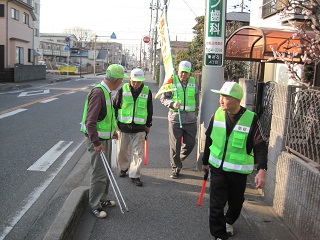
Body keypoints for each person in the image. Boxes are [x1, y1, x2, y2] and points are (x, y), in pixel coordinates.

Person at [202, 81, 268, 240]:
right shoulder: (216, 114)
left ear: (238, 100)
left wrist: (262, 170)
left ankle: (229, 220)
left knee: (236, 203)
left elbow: (260, 144)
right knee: (216, 205)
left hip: (238, 172)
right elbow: (209, 139)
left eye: (226, 97)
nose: (221, 100)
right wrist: (205, 162)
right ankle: (219, 235)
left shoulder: (251, 119)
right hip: (217, 168)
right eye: (221, 96)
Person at [80, 64, 128, 218]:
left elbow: (104, 118)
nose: (121, 84)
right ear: (118, 80)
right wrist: (96, 143)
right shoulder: (99, 93)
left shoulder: (106, 92)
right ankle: (95, 205)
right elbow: (90, 122)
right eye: (121, 81)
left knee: (105, 171)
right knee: (99, 173)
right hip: (97, 140)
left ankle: (103, 199)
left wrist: (112, 132)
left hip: (104, 138)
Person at [113, 68, 153, 186]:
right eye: (134, 81)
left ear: (142, 81)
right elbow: (115, 107)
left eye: (138, 81)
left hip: (140, 128)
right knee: (122, 151)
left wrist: (148, 125)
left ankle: (134, 174)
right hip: (123, 127)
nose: (136, 84)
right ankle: (124, 168)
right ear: (130, 79)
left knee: (138, 152)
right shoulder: (122, 90)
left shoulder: (147, 91)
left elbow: (149, 109)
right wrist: (115, 124)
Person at [160, 61, 199, 179]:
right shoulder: (171, 81)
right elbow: (163, 98)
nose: (184, 74)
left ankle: (178, 159)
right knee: (175, 145)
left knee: (190, 144)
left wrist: (196, 113)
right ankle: (175, 168)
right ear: (178, 71)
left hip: (191, 120)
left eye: (186, 72)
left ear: (189, 73)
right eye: (182, 72)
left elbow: (197, 99)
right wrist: (172, 103)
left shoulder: (194, 82)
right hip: (176, 119)